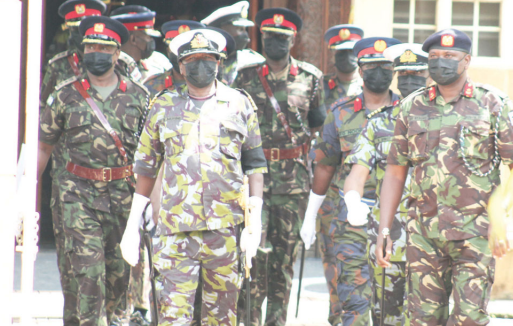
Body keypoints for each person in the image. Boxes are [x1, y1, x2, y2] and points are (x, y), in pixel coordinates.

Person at [376, 29, 513, 326]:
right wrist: (385, 228)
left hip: (476, 233)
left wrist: (500, 220)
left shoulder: (493, 104)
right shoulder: (411, 107)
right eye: (433, 57)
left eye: (449, 56)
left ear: (466, 60)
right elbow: (395, 171)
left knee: (469, 319)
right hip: (423, 234)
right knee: (423, 319)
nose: (440, 62)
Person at [120, 28, 267, 326]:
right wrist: (132, 225)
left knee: (221, 319)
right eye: (193, 60)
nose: (201, 67)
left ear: (220, 63)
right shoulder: (162, 106)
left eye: (208, 60)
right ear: (181, 66)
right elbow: (146, 168)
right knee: (173, 318)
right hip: (176, 232)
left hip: (225, 231)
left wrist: (255, 222)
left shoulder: (239, 104)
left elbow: (254, 164)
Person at [38, 16, 149, 326]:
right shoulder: (64, 94)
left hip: (122, 198)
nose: (96, 54)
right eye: (90, 47)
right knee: (88, 274)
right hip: (77, 195)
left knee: (118, 278)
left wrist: (153, 204)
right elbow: (43, 147)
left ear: (116, 54)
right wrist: (22, 198)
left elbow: (152, 157)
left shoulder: (139, 97)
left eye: (104, 48)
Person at [231, 7, 326, 325]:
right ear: (262, 39)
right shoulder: (244, 77)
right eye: (270, 38)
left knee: (283, 263)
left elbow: (316, 128)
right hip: (253, 182)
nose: (275, 44)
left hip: (292, 185)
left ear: (293, 39)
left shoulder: (311, 78)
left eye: (282, 38)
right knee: (251, 259)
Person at [301, 36, 401, 326]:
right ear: (360, 70)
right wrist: (310, 216)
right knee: (353, 307)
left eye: (385, 66)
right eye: (372, 67)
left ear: (394, 70)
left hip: (396, 224)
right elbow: (325, 167)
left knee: (393, 310)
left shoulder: (409, 111)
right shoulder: (341, 112)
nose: (379, 73)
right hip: (351, 224)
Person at [339, 43, 429, 326]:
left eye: (417, 75)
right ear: (397, 79)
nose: (411, 81)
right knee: (386, 318)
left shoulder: (447, 121)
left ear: (428, 76)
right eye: (404, 76)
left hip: (435, 239)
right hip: (389, 239)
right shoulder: (379, 124)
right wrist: (352, 200)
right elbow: (358, 170)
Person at [40, 3, 108, 326]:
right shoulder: (57, 67)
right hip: (69, 181)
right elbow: (42, 123)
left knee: (111, 269)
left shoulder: (119, 69)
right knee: (74, 265)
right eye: (74, 29)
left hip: (113, 187)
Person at [201, 1, 265, 85]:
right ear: (222, 31)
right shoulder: (202, 61)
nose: (245, 34)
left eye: (245, 30)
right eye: (240, 29)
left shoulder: (254, 61)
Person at [110, 5, 172, 82]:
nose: (151, 40)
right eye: (148, 37)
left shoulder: (159, 60)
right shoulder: (110, 67)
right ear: (134, 40)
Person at [143, 20, 206, 96]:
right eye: (176, 49)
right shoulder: (152, 85)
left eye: (187, 51)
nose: (181, 55)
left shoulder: (210, 83)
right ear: (168, 51)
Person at [322, 24, 364, 107]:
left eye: (351, 51)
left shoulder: (369, 86)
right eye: (341, 52)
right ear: (333, 55)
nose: (347, 56)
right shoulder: (321, 86)